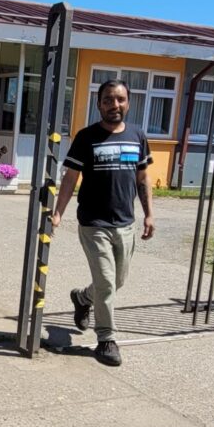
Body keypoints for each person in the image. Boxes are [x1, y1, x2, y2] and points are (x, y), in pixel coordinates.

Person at [51, 79, 155, 367]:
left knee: (115, 281)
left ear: (128, 102)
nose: (115, 105)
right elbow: (71, 178)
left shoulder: (137, 135)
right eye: (108, 100)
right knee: (107, 282)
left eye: (120, 99)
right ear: (99, 104)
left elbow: (143, 177)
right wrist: (59, 212)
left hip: (126, 223)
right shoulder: (86, 137)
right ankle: (106, 338)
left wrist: (149, 214)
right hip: (94, 223)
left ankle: (83, 298)